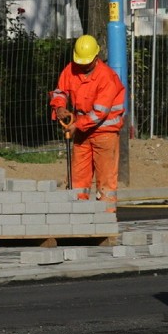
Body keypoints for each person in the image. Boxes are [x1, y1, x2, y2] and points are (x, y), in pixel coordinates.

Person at [49, 34, 125, 213]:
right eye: (79, 61)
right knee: (78, 178)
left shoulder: (106, 77)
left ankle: (105, 218)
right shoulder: (71, 69)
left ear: (96, 57)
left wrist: (76, 125)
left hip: (104, 132)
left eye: (86, 62)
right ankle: (77, 215)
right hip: (83, 132)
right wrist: (59, 107)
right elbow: (60, 91)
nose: (82, 65)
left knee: (106, 180)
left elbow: (100, 112)